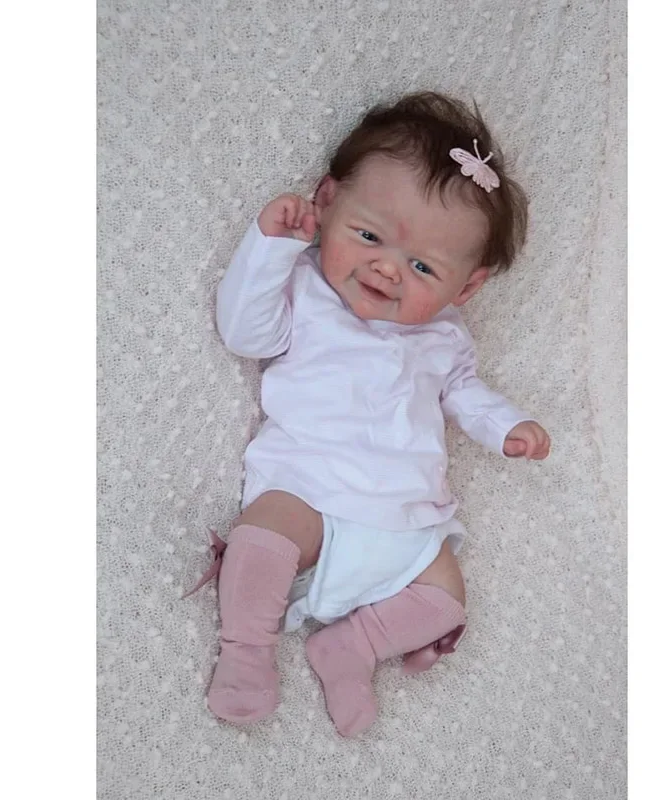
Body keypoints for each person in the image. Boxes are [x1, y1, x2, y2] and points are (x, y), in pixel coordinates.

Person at [191, 92, 551, 737]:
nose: (387, 268)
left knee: (444, 599)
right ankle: (247, 651)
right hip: (305, 486)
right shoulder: (304, 288)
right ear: (326, 202)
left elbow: (465, 392)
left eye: (423, 267)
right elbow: (245, 333)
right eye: (368, 236)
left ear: (466, 287)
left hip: (404, 513)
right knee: (262, 537)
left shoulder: (445, 337)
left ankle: (352, 647)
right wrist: (269, 248)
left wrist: (507, 428)